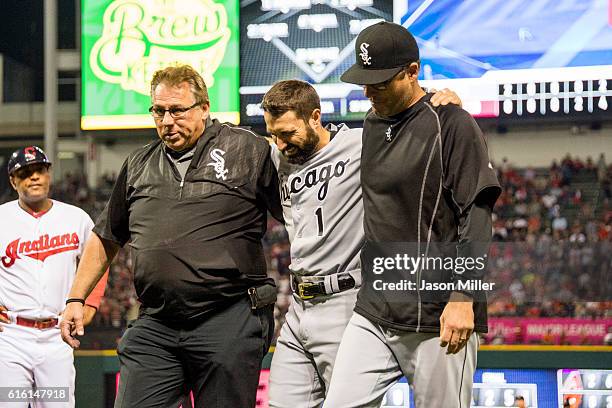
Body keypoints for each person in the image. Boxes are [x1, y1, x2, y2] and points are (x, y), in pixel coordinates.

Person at [60, 64, 283, 408]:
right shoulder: (138, 163)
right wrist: (76, 298)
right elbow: (106, 235)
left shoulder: (247, 150)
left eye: (178, 110)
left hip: (228, 317)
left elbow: (296, 212)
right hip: (158, 322)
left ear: (205, 108)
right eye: (158, 111)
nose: (167, 121)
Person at [322, 22, 501, 407]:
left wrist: (464, 295)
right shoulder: (371, 123)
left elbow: (477, 214)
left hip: (438, 313)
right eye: (364, 82)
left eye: (380, 83)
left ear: (412, 72)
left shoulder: (452, 123)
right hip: (375, 309)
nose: (369, 92)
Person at [261, 80, 461, 407]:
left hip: (345, 298)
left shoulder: (361, 144)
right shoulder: (277, 157)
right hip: (297, 308)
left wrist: (443, 101)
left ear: (315, 116)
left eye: (287, 133)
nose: (280, 144)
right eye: (274, 135)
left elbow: (414, 118)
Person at [0, 146, 107, 408]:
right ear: (14, 181)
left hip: (57, 335)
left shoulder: (75, 217)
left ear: (49, 174)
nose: (33, 177)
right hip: (11, 337)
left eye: (39, 170)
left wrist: (90, 302)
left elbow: (99, 261)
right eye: (25, 173)